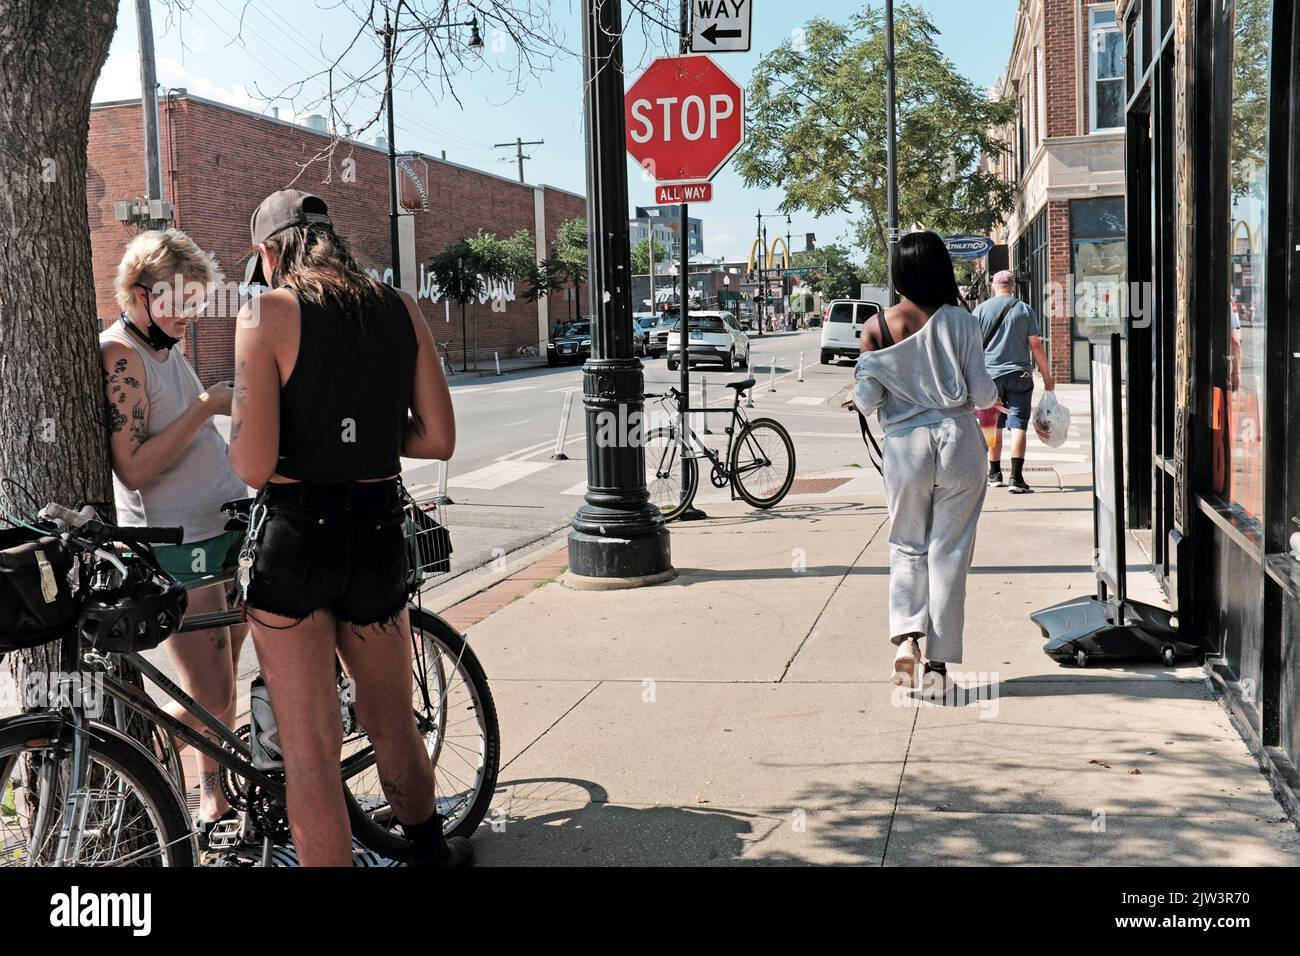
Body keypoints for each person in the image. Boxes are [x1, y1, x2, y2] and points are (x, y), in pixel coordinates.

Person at [228, 190, 463, 867]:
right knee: (393, 723)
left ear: (269, 254)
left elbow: (253, 463)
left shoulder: (266, 312)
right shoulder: (398, 308)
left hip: (297, 537)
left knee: (309, 750)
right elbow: (439, 436)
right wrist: (365, 438)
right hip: (379, 530)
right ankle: (428, 854)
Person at [100, 230, 250, 843]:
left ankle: (211, 795)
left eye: (195, 301)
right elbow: (133, 466)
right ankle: (142, 766)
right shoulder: (121, 354)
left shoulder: (162, 346)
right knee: (210, 689)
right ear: (140, 293)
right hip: (177, 542)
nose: (189, 313)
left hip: (221, 528)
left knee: (222, 682)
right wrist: (206, 408)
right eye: (179, 300)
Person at [851, 232, 998, 695]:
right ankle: (937, 666)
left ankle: (905, 640)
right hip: (959, 442)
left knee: (907, 544)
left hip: (905, 445)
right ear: (940, 268)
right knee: (949, 551)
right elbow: (983, 394)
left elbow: (866, 399)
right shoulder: (962, 321)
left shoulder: (878, 326)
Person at [973, 270, 1056, 493]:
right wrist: (1047, 377)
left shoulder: (980, 310)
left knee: (992, 424)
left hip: (990, 376)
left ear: (993, 286)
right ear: (1013, 287)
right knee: (1018, 424)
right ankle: (1017, 478)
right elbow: (1036, 345)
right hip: (1019, 374)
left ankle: (994, 474)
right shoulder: (1024, 309)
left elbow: (972, 348)